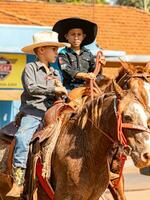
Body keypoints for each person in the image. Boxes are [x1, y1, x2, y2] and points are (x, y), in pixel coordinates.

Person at [6, 31, 68, 198]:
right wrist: (53, 88)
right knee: (21, 137)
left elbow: (62, 95)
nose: (57, 52)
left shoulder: (55, 73)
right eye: (54, 49)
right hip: (33, 113)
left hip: (53, 113)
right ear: (41, 50)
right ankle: (18, 181)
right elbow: (31, 88)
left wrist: (61, 92)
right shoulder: (30, 68)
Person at [52, 17, 106, 91]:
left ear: (83, 37)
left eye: (79, 34)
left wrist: (100, 65)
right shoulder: (63, 53)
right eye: (73, 34)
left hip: (87, 86)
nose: (76, 38)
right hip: (70, 88)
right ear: (66, 36)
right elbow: (67, 70)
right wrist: (85, 75)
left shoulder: (88, 53)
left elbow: (95, 72)